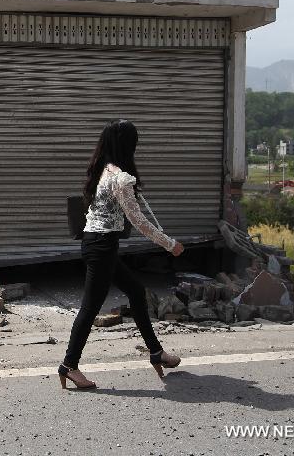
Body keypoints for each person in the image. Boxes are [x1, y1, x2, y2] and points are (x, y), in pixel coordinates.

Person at [58, 119, 184, 390]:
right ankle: (69, 366)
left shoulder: (105, 171)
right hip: (102, 247)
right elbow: (138, 221)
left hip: (98, 244)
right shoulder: (120, 178)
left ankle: (155, 352)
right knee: (90, 308)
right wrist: (169, 244)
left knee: (136, 292)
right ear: (128, 146)